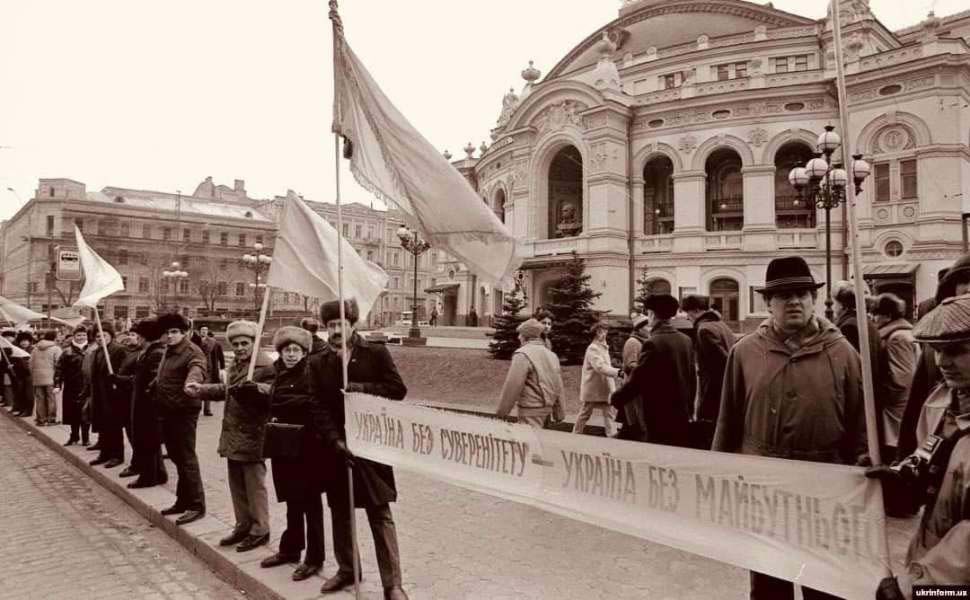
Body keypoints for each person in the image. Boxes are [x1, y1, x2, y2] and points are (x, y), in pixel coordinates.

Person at [713, 256, 866, 600]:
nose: (794, 301)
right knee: (769, 584)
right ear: (768, 303)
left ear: (814, 299)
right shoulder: (745, 352)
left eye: (802, 293)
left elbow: (860, 422)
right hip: (765, 488)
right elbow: (728, 420)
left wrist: (862, 467)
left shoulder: (842, 351)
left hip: (824, 486)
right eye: (783, 296)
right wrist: (719, 477)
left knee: (824, 583)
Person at [869, 293, 970, 599]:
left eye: (955, 351)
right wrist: (901, 476)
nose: (942, 362)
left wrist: (917, 588)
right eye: (937, 350)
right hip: (929, 561)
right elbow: (926, 458)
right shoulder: (939, 403)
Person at [309, 299, 410, 600]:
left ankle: (393, 584)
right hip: (337, 449)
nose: (337, 330)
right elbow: (316, 406)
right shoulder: (318, 362)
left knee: (380, 514)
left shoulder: (375, 353)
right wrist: (334, 440)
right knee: (340, 512)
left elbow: (397, 390)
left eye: (342, 323)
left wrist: (361, 389)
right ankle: (347, 569)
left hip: (371, 448)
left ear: (353, 324)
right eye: (331, 325)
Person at [187, 320, 276, 553]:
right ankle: (243, 524)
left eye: (244, 343)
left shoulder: (264, 366)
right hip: (234, 432)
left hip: (254, 433)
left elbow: (275, 394)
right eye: (235, 344)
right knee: (237, 484)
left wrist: (258, 389)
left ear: (254, 343)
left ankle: (260, 529)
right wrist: (202, 390)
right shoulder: (237, 364)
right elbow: (228, 392)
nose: (239, 348)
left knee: (254, 485)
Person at [252, 326, 329, 580]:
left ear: (304, 352)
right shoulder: (278, 373)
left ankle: (315, 558)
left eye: (296, 350)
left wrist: (283, 402)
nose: (291, 355)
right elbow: (273, 401)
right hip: (284, 447)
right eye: (287, 350)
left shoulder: (311, 372)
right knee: (291, 501)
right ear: (280, 352)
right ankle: (290, 549)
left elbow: (313, 403)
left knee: (311, 505)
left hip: (308, 449)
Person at [898, 254, 970, 458]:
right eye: (963, 281)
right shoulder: (933, 347)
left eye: (956, 351)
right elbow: (917, 406)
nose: (943, 361)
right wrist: (903, 465)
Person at [611, 294, 694, 447]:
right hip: (682, 411)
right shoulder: (686, 340)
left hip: (659, 413)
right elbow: (691, 377)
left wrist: (617, 398)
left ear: (651, 315)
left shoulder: (653, 342)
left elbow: (639, 379)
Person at [155, 312, 208, 526]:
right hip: (167, 410)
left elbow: (197, 369)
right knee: (176, 457)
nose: (170, 336)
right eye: (167, 332)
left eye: (175, 332)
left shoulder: (192, 352)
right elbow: (164, 375)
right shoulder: (168, 351)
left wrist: (191, 383)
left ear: (184, 332)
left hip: (184, 410)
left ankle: (197, 505)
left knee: (186, 458)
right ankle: (183, 499)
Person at [682, 294, 737, 450]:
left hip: (714, 392)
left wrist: (704, 403)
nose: (687, 317)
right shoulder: (721, 325)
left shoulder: (704, 330)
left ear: (698, 310)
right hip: (726, 389)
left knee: (709, 435)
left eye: (689, 312)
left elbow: (719, 366)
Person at [871, 293, 918, 463]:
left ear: (888, 316)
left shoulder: (896, 338)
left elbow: (903, 377)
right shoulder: (905, 332)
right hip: (902, 403)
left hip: (896, 406)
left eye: (877, 314)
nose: (873, 317)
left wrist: (884, 396)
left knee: (895, 446)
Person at [495, 318, 565, 428]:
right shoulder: (552, 355)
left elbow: (513, 386)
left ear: (526, 337)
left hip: (530, 412)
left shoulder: (522, 354)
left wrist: (502, 413)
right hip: (547, 411)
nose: (518, 337)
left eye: (520, 335)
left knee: (531, 443)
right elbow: (558, 385)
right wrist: (559, 412)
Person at [125, 318, 168, 489]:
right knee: (148, 441)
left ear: (145, 337)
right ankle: (158, 473)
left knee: (147, 441)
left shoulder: (155, 353)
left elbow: (153, 380)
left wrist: (147, 397)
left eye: (140, 336)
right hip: (143, 403)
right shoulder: (149, 351)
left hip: (148, 406)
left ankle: (148, 476)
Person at [87, 324, 129, 469]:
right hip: (100, 393)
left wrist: (117, 379)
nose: (100, 339)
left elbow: (125, 369)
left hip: (113, 393)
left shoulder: (118, 350)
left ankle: (117, 455)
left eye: (103, 335)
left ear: (111, 336)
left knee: (114, 426)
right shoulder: (97, 352)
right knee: (102, 425)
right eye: (98, 336)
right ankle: (104, 453)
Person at [112, 323, 147, 478]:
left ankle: (138, 463)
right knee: (129, 429)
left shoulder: (142, 353)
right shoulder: (126, 351)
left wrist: (119, 378)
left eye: (135, 335)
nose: (132, 337)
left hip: (135, 397)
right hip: (124, 396)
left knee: (135, 433)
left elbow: (136, 378)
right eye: (131, 334)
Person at [573, 322, 619, 436]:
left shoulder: (602, 347)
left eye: (605, 330)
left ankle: (611, 436)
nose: (604, 333)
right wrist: (618, 372)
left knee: (609, 413)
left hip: (603, 388)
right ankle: (575, 434)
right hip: (593, 389)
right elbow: (600, 367)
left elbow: (605, 366)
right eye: (602, 331)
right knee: (585, 413)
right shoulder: (593, 348)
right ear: (596, 333)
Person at [56, 326, 90, 445]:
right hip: (71, 387)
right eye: (79, 335)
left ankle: (86, 438)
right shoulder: (67, 351)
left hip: (87, 387)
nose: (81, 337)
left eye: (84, 335)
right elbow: (59, 369)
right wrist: (57, 383)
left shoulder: (91, 350)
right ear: (74, 337)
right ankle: (74, 436)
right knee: (72, 413)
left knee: (86, 413)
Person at [30, 330, 62, 426]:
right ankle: (51, 419)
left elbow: (30, 364)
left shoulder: (35, 349)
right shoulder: (56, 348)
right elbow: (59, 363)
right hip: (50, 377)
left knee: (40, 398)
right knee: (50, 398)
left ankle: (41, 419)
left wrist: (34, 375)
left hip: (37, 378)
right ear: (54, 337)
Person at [198, 325, 224, 417]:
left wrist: (221, 368)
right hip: (198, 368)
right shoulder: (195, 341)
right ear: (199, 331)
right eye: (202, 330)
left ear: (208, 331)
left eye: (205, 330)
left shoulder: (213, 342)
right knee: (197, 387)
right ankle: (197, 408)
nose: (204, 331)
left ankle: (207, 410)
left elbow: (219, 356)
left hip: (209, 369)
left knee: (207, 388)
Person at [11, 331, 34, 418]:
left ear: (29, 341)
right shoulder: (17, 351)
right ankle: (21, 409)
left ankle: (28, 411)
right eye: (22, 341)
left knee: (29, 394)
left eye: (26, 341)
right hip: (20, 374)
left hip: (29, 374)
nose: (24, 342)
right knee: (21, 393)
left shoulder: (32, 350)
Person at [1, 328, 17, 409]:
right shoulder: (2, 347)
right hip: (4, 369)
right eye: (6, 337)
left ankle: (11, 401)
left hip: (13, 369)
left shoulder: (15, 347)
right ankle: (6, 400)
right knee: (5, 385)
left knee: (11, 385)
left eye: (9, 337)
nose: (7, 339)